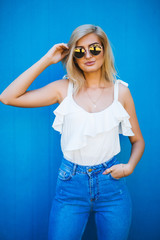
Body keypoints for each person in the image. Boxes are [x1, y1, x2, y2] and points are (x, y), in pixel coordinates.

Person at [0, 24, 145, 240]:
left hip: (112, 188)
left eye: (94, 48)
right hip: (70, 186)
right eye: (79, 51)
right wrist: (47, 60)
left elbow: (138, 141)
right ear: (73, 57)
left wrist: (129, 167)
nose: (88, 55)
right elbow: (8, 97)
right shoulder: (63, 89)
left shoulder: (121, 92)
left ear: (104, 50)